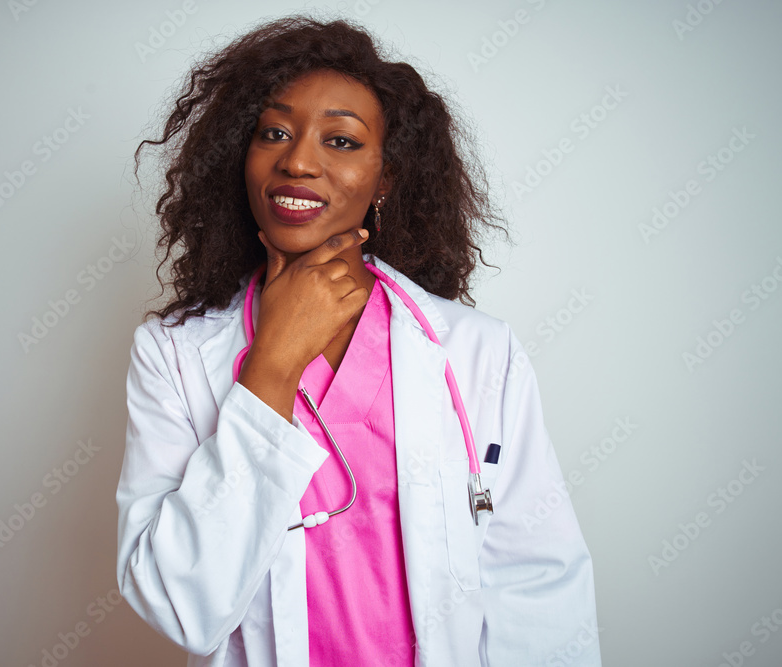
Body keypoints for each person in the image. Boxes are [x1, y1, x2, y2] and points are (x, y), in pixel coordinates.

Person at [116, 14, 602, 667]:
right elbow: (180, 603)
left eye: (341, 141)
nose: (297, 160)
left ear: (385, 179)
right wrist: (273, 365)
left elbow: (540, 590)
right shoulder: (171, 354)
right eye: (275, 132)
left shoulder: (477, 353)